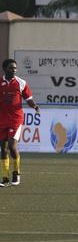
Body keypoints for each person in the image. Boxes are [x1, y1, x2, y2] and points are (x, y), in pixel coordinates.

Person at [0, 59, 39, 187]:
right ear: (5, 69)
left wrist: (35, 107)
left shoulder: (21, 83)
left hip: (15, 119)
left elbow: (29, 99)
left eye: (15, 68)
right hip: (2, 120)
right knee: (3, 149)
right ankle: (5, 178)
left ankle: (16, 173)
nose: (14, 70)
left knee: (12, 146)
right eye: (11, 68)